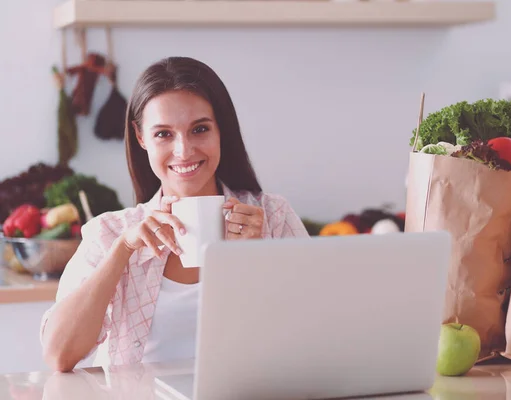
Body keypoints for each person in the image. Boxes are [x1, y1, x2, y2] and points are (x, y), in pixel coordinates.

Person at [40, 56, 310, 372]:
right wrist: (122, 251)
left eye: (199, 129)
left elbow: (318, 335)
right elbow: (59, 355)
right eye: (164, 134)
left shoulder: (272, 217)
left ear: (221, 129)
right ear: (141, 137)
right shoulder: (110, 233)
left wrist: (258, 261)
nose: (184, 150)